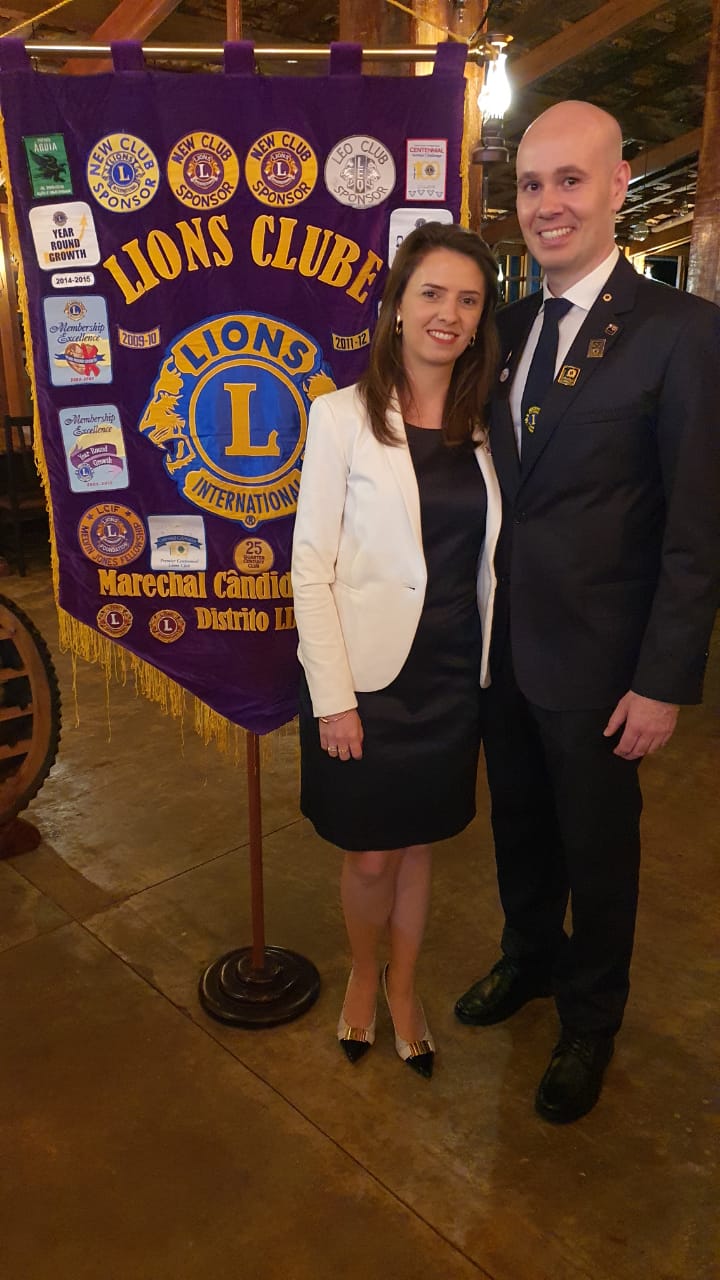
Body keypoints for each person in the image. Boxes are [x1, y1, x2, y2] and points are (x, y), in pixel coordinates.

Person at [455, 100, 720, 1122]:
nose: (548, 204)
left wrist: (663, 677)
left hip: (608, 669)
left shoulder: (683, 335)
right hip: (502, 650)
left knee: (601, 852)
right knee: (519, 828)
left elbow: (698, 530)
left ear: (618, 187)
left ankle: (590, 1015)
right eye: (531, 184)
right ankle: (527, 956)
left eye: (571, 180)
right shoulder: (508, 328)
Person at [292, 222, 501, 1079]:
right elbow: (312, 569)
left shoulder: (488, 426)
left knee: (417, 844)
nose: (448, 315)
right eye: (431, 294)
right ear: (396, 308)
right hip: (366, 680)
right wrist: (333, 698)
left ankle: (405, 989)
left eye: (468, 300)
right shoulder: (340, 417)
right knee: (370, 849)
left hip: (454, 677)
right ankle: (361, 973)